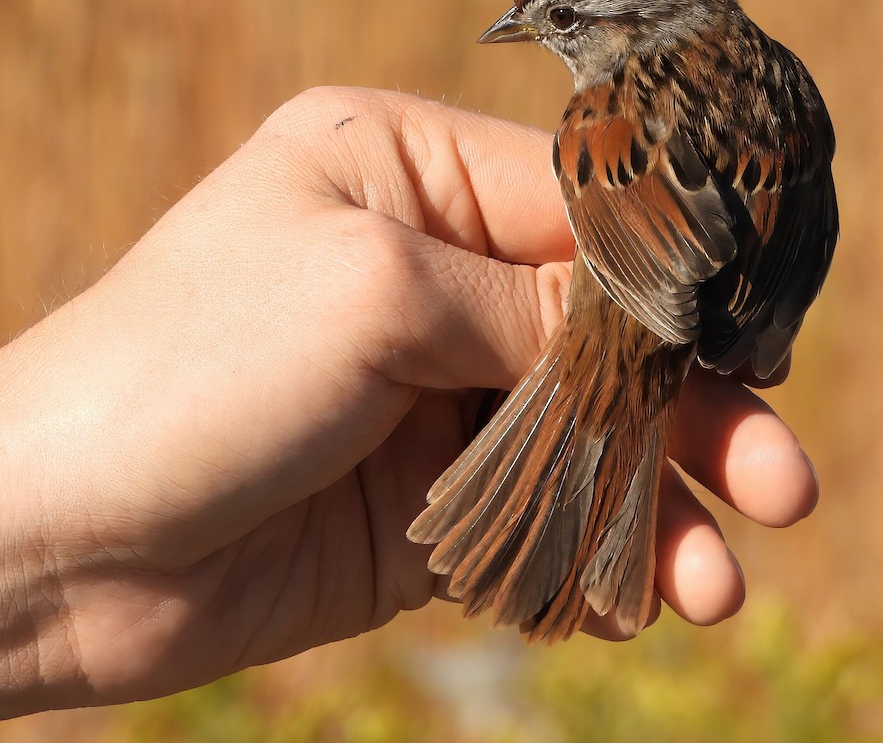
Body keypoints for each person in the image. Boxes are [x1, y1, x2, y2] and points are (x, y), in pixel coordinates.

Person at [0, 87, 819, 717]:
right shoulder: (744, 102)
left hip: (630, 299)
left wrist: (43, 551)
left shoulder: (608, 115)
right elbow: (797, 217)